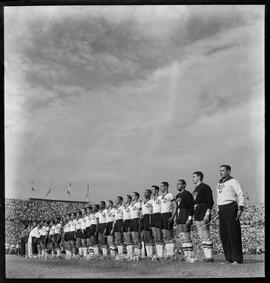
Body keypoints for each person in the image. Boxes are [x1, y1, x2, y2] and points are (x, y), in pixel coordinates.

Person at [216, 165, 245, 264]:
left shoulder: (233, 181)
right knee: (224, 234)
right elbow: (219, 197)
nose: (221, 172)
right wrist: (217, 209)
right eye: (220, 171)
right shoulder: (219, 183)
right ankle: (229, 258)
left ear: (228, 171)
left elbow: (240, 194)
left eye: (223, 170)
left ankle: (237, 259)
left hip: (231, 207)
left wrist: (240, 208)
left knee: (233, 234)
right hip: (222, 209)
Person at [169, 179, 194, 262]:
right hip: (179, 217)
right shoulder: (177, 195)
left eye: (179, 184)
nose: (177, 186)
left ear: (184, 185)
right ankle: (185, 255)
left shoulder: (187, 194)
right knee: (182, 237)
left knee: (187, 236)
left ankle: (190, 255)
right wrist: (175, 217)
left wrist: (189, 218)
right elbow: (176, 207)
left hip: (185, 215)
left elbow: (191, 207)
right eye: (177, 184)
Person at [192, 171, 214, 262]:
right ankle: (206, 256)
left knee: (206, 234)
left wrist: (207, 213)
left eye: (194, 176)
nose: (192, 178)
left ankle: (209, 256)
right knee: (201, 235)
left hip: (203, 211)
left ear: (199, 177)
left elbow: (210, 201)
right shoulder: (195, 189)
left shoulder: (205, 187)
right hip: (197, 213)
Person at [160, 182, 175, 260]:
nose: (161, 188)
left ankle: (172, 253)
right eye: (160, 186)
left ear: (166, 187)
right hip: (162, 215)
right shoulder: (161, 196)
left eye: (162, 186)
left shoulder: (170, 195)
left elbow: (175, 204)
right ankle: (168, 253)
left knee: (170, 234)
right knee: (165, 234)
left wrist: (173, 215)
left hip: (167, 215)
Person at [151, 185, 164, 260]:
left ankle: (161, 255)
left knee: (159, 235)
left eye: (153, 190)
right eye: (151, 189)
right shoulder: (153, 199)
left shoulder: (160, 197)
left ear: (156, 190)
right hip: (153, 216)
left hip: (159, 215)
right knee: (155, 236)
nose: (152, 191)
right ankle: (157, 254)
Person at [141, 189, 154, 259]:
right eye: (144, 192)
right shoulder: (143, 202)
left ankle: (151, 254)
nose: (145, 194)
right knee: (145, 237)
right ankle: (147, 254)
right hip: (143, 218)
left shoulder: (151, 201)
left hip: (149, 217)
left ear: (150, 194)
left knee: (149, 236)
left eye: (147, 193)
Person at [130, 192, 142, 260]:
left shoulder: (138, 203)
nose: (132, 196)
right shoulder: (132, 204)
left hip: (136, 220)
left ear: (137, 196)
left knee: (137, 237)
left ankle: (139, 254)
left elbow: (140, 212)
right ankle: (135, 254)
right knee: (134, 237)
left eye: (133, 195)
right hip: (131, 220)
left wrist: (140, 220)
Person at [113, 196, 124, 260]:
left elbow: (123, 216)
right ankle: (119, 254)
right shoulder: (115, 208)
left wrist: (122, 225)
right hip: (116, 223)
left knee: (120, 239)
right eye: (115, 200)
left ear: (120, 201)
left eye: (117, 200)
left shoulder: (122, 207)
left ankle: (121, 255)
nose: (116, 201)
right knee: (117, 240)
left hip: (120, 221)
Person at [123, 195, 133, 260]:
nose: (124, 199)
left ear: (129, 200)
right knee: (126, 240)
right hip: (124, 222)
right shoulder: (124, 207)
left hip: (129, 221)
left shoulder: (131, 206)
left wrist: (130, 225)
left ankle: (131, 255)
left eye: (126, 198)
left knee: (130, 239)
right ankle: (128, 255)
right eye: (124, 198)